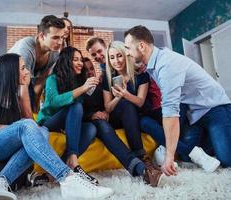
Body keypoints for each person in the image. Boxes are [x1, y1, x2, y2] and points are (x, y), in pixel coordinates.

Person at [0, 53, 114, 200]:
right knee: (29, 127)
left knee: (42, 131)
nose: (28, 72)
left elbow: (31, 125)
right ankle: (67, 179)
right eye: (23, 68)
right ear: (10, 73)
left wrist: (23, 89)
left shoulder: (14, 97)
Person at [124, 25, 231, 176]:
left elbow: (170, 113)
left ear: (141, 46)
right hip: (194, 113)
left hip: (214, 108)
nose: (127, 53)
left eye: (128, 48)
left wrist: (169, 157)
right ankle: (216, 138)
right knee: (187, 156)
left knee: (227, 159)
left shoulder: (167, 65)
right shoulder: (154, 63)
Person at [82, 57, 164, 187]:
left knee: (126, 105)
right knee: (104, 127)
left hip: (108, 116)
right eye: (85, 70)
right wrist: (92, 115)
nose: (89, 72)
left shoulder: (101, 83)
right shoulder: (79, 88)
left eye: (91, 68)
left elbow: (107, 106)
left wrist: (106, 112)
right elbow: (77, 113)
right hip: (92, 122)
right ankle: (141, 169)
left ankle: (141, 156)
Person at [37, 46, 100, 185]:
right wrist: (82, 89)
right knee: (76, 105)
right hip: (49, 121)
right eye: (75, 60)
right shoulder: (52, 79)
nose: (80, 63)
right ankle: (73, 162)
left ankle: (62, 167)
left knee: (91, 128)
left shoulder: (78, 81)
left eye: (80, 60)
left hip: (66, 123)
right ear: (66, 61)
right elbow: (53, 103)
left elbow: (78, 112)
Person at [9, 15, 65, 112]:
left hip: (25, 86)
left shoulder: (55, 53)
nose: (60, 42)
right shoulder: (26, 48)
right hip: (6, 85)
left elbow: (40, 82)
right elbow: (22, 85)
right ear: (41, 36)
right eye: (55, 37)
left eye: (62, 37)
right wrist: (29, 118)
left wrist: (35, 111)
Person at [103, 41, 148, 159]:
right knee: (126, 105)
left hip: (138, 115)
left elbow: (140, 102)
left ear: (125, 55)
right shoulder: (107, 78)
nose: (116, 61)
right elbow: (108, 108)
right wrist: (118, 97)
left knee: (129, 104)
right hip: (117, 117)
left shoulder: (141, 75)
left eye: (119, 55)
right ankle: (140, 156)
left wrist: (125, 94)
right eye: (112, 57)